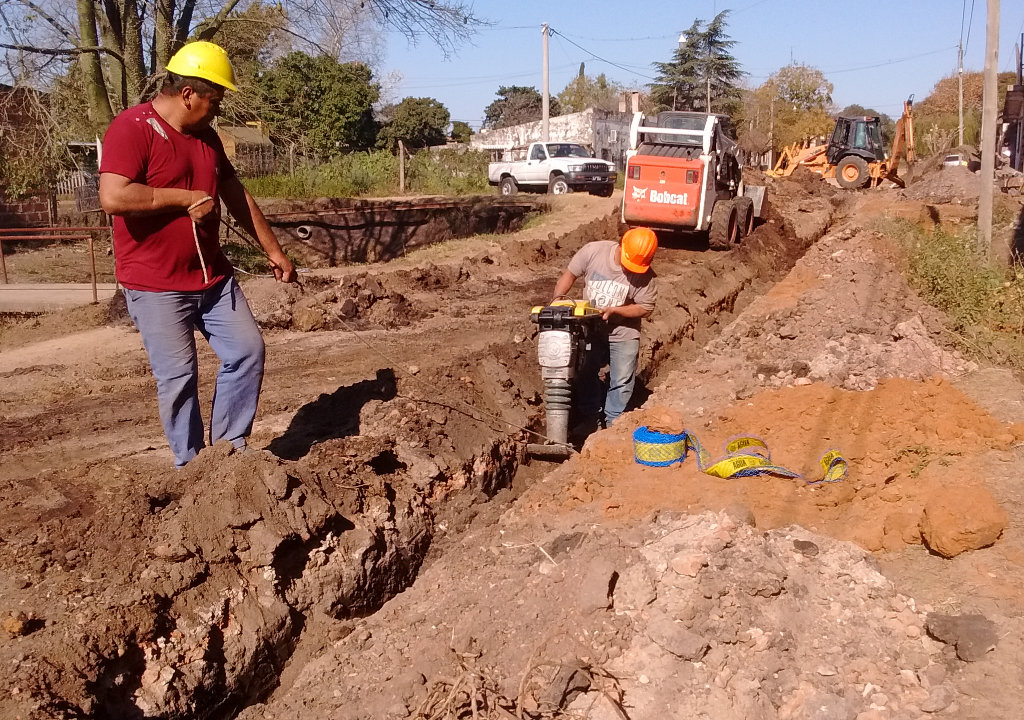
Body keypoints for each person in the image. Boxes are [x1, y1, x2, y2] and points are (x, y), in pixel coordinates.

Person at [99, 40, 296, 468]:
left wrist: (274, 250)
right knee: (178, 378)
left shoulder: (207, 138)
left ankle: (228, 454)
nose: (218, 109)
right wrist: (184, 197)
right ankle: (191, 469)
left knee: (247, 351)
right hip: (156, 285)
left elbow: (236, 195)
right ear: (188, 94)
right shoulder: (131, 128)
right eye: (215, 99)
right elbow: (113, 197)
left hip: (213, 278)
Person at [552, 227, 658, 429]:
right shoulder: (594, 252)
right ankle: (590, 418)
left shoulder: (646, 276)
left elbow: (646, 307)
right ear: (621, 246)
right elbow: (569, 275)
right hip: (590, 328)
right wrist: (556, 302)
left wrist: (617, 311)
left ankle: (613, 424)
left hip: (623, 332)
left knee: (622, 380)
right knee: (585, 372)